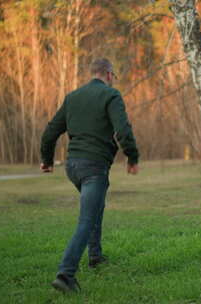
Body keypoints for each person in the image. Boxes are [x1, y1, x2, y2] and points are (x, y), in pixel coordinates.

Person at [40, 58, 139, 293]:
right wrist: (132, 157)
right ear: (108, 73)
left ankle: (95, 256)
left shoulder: (72, 97)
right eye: (113, 76)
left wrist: (46, 160)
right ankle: (65, 275)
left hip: (73, 166)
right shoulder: (111, 95)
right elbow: (123, 130)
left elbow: (50, 132)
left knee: (96, 207)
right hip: (94, 166)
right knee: (86, 219)